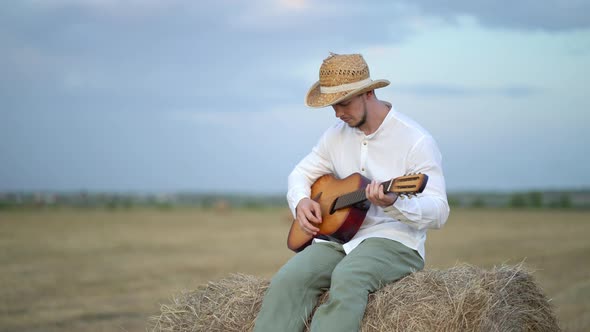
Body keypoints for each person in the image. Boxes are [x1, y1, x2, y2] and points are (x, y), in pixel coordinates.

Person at [253, 53, 450, 332]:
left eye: (343, 103)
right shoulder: (334, 135)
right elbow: (300, 174)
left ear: (369, 93)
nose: (337, 113)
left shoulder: (416, 140)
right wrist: (301, 201)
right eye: (333, 106)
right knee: (288, 279)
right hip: (338, 238)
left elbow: (439, 211)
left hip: (395, 241)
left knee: (348, 277)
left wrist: (394, 203)